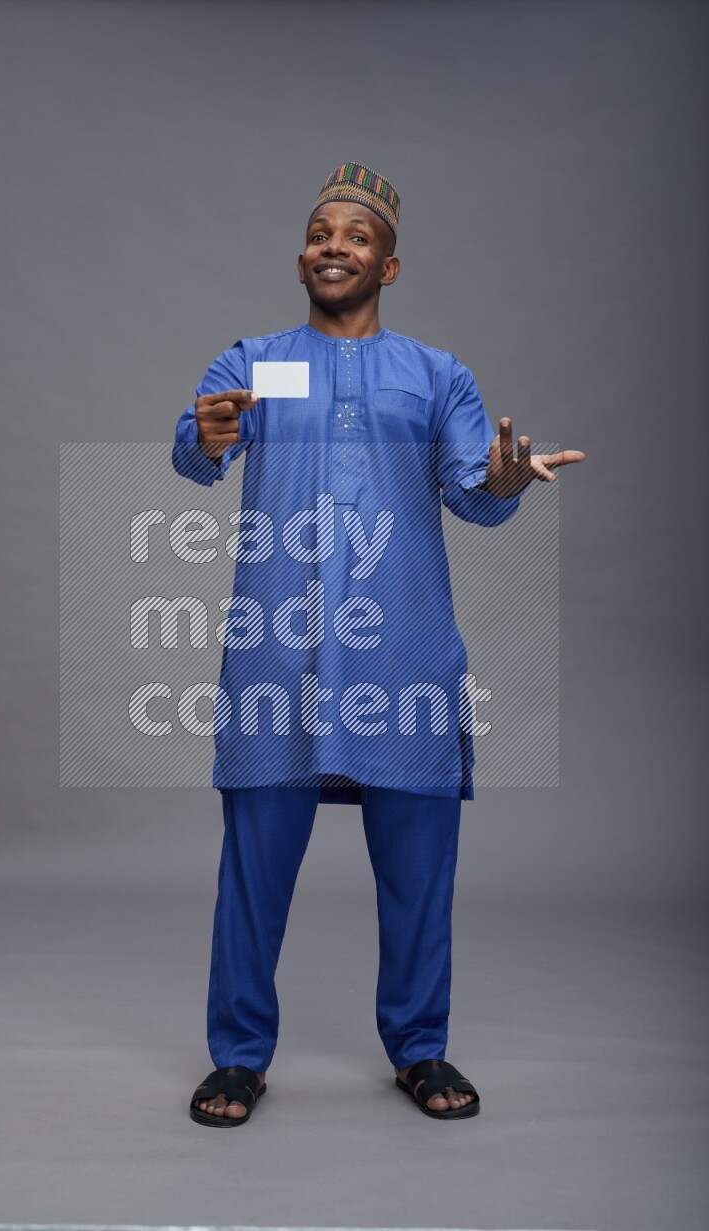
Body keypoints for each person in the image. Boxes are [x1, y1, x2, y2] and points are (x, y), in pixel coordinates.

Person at [171, 162, 585, 1126]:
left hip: (403, 657)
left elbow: (477, 494)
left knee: (419, 871)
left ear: (388, 267)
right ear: (301, 259)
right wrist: (207, 432)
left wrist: (507, 480)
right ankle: (237, 1057)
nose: (335, 247)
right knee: (253, 869)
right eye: (321, 233)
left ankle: (420, 1047)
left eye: (356, 237)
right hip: (280, 655)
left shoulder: (436, 376)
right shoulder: (262, 362)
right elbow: (199, 448)